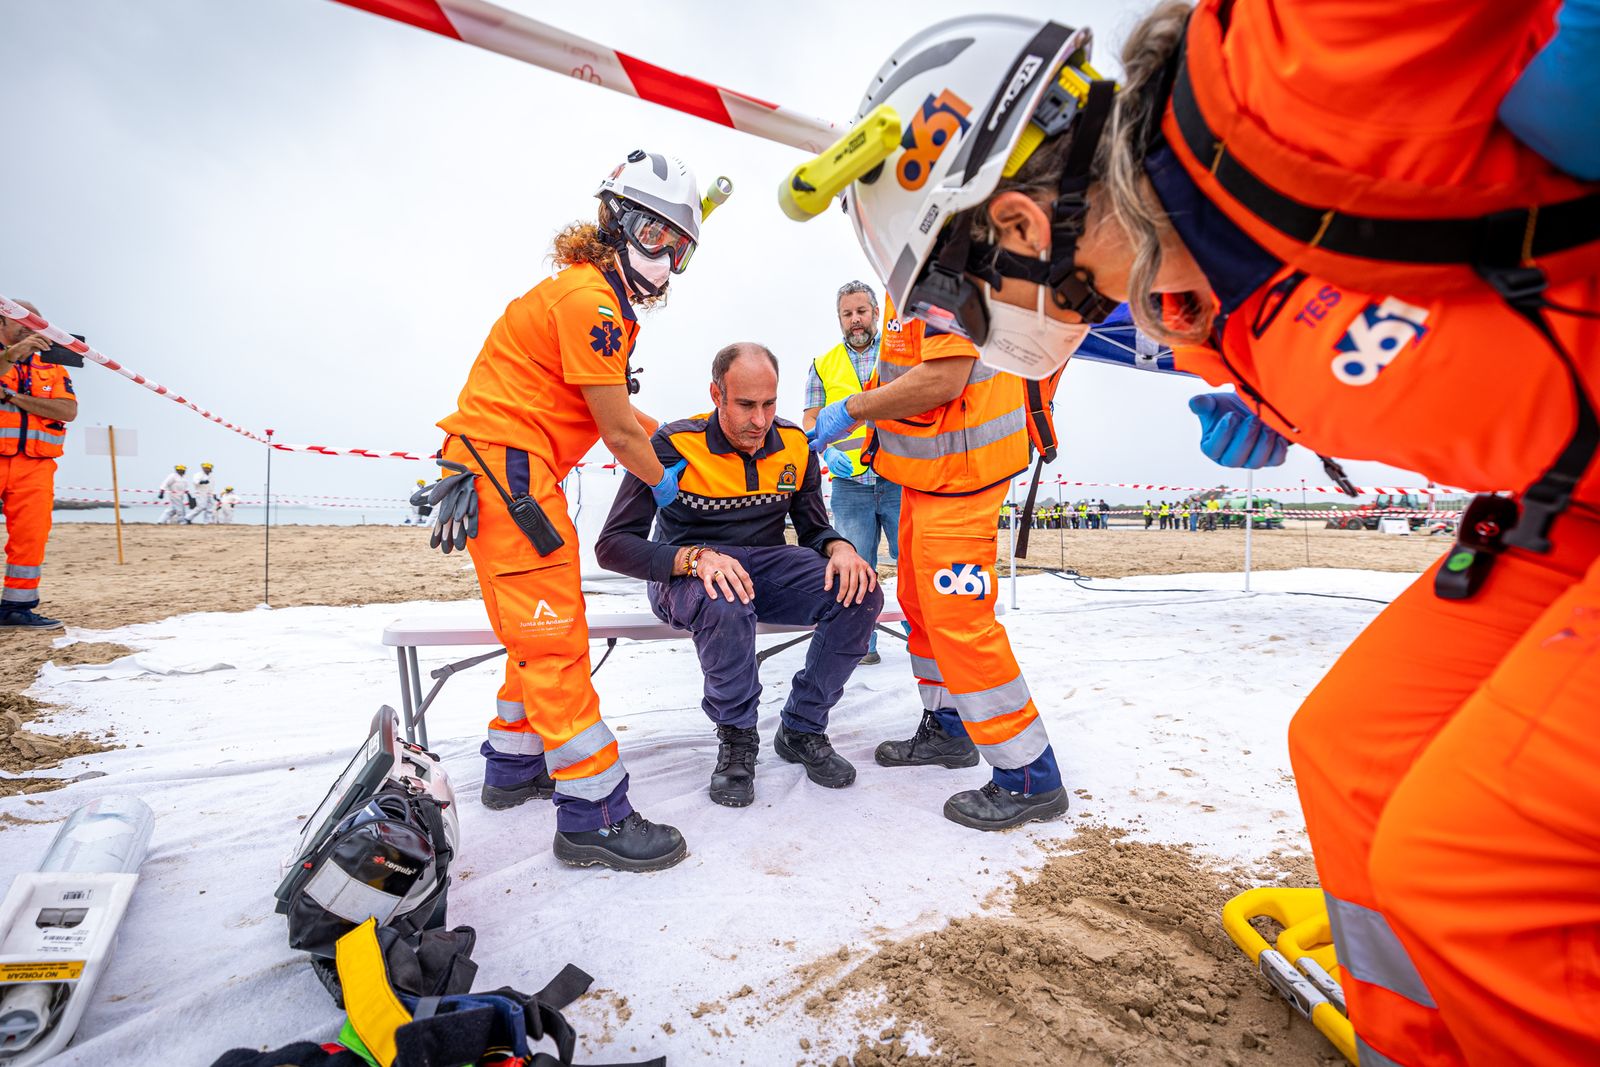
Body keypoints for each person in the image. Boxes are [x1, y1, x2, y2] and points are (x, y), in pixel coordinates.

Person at [831, 5, 1600, 1060]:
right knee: (1346, 756)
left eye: (965, 298)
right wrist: (1281, 408)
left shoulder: (1283, 67)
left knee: (1472, 858)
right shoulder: (1188, 298)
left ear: (1015, 224)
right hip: (1568, 505)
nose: (972, 325)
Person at [432, 149, 719, 874]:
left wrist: (671, 438)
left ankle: (513, 761)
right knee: (554, 635)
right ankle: (595, 814)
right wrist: (673, 486)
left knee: (542, 628)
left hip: (509, 469)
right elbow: (619, 433)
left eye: (677, 247)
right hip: (512, 475)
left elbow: (620, 415)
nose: (663, 259)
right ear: (614, 222)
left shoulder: (590, 298)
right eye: (654, 236)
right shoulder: (591, 303)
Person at [808, 317, 1068, 828]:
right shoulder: (906, 272)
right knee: (923, 610)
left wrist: (852, 410)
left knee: (960, 625)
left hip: (963, 476)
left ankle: (1030, 776)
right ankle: (949, 729)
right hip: (924, 477)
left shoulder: (945, 256)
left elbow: (943, 378)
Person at [596, 343, 881, 807]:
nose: (759, 420)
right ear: (716, 395)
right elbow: (612, 545)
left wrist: (841, 547)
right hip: (687, 570)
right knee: (724, 599)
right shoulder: (672, 444)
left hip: (766, 564)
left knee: (860, 590)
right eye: (746, 405)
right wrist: (694, 559)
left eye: (769, 404)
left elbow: (812, 528)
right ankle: (738, 738)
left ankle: (803, 727)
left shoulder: (793, 444)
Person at [804, 280, 901, 666]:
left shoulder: (898, 353)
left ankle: (924, 635)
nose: (855, 320)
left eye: (862, 312)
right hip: (850, 486)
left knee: (912, 561)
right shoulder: (823, 364)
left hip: (899, 477)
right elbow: (811, 419)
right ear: (839, 318)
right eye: (847, 314)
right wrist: (827, 453)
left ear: (876, 313)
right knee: (855, 568)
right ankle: (863, 645)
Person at [0, 300, 77, 628]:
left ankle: (16, 608)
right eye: (23, 324)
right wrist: (10, 356)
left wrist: (12, 397)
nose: (32, 330)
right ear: (3, 322)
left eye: (37, 325)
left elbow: (67, 411)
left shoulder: (53, 366)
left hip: (36, 466)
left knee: (31, 537)